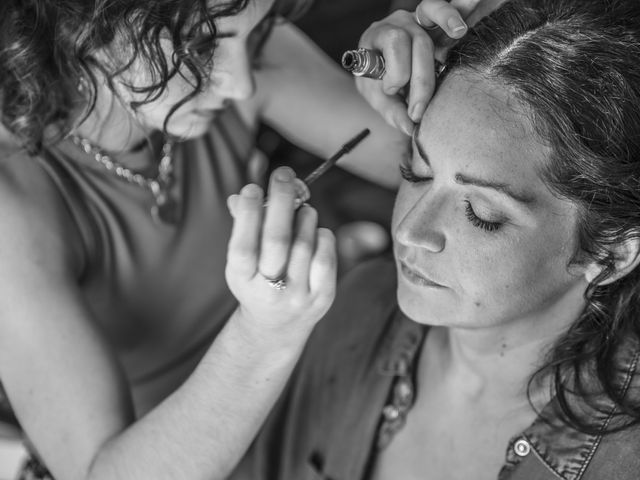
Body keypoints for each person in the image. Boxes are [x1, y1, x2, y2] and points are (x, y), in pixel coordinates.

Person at [0, 0, 465, 478]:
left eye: (257, 32)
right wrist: (265, 332)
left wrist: (433, 79)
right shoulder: (12, 196)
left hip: (303, 390)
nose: (241, 82)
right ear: (81, 27)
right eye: (200, 47)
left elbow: (434, 171)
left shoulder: (238, 32)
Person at [231, 0, 640, 479]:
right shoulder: (354, 312)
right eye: (416, 170)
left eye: (481, 213)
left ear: (611, 253)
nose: (409, 230)